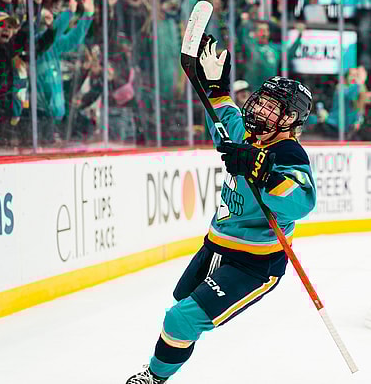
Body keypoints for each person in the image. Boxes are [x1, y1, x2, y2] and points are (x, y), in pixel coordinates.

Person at [125, 36, 316, 384]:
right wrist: (216, 88)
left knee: (180, 319)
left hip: (255, 263)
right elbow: (225, 126)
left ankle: (153, 379)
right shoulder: (253, 135)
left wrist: (265, 173)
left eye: (271, 107)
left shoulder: (289, 154)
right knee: (181, 304)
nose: (259, 109)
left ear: (289, 118)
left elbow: (302, 201)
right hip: (216, 246)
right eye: (262, 101)